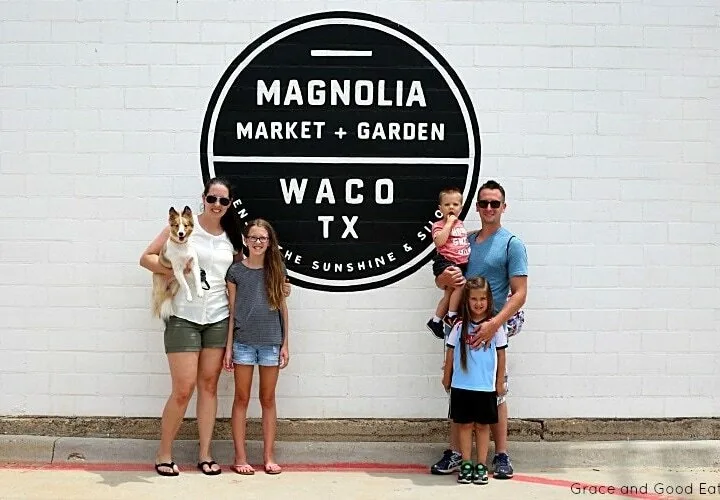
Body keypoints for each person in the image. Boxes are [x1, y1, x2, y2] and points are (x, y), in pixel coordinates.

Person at [140, 177, 243, 477]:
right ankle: (164, 453)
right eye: (212, 199)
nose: (217, 205)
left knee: (209, 387)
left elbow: (242, 273)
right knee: (183, 389)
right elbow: (146, 258)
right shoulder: (186, 227)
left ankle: (206, 454)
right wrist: (172, 268)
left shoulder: (231, 236)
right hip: (183, 316)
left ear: (229, 204)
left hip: (217, 318)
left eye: (224, 201)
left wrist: (278, 285)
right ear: (204, 198)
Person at [430, 179, 527, 480]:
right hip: (462, 326)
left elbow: (520, 292)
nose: (488, 208)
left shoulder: (512, 244)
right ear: (476, 206)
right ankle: (457, 453)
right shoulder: (465, 240)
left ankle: (501, 456)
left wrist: (493, 324)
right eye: (483, 203)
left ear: (503, 207)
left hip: (491, 328)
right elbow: (445, 282)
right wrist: (443, 278)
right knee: (460, 390)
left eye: (494, 203)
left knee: (494, 393)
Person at [223, 219, 289, 476]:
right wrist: (228, 348)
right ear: (245, 240)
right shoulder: (236, 272)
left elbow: (283, 308)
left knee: (268, 399)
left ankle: (269, 456)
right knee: (241, 398)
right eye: (254, 237)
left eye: (263, 238)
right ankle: (240, 457)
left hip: (271, 342)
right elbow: (232, 312)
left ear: (269, 242)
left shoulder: (277, 269)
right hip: (243, 343)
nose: (258, 242)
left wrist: (285, 343)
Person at [442, 277, 507, 485]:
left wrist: (498, 382)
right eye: (473, 299)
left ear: (489, 300)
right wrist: (446, 377)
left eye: (482, 299)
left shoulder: (495, 327)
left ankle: (481, 464)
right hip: (462, 386)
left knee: (482, 427)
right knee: (464, 425)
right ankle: (466, 463)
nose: (478, 303)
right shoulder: (460, 326)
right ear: (466, 301)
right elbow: (451, 353)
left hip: (485, 386)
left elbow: (502, 355)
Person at [426, 187, 470, 339]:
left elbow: (461, 239)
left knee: (449, 293)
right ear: (440, 208)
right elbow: (439, 242)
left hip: (460, 263)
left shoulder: (461, 225)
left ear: (461, 208)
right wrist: (449, 224)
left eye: (455, 204)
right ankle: (451, 316)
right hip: (445, 261)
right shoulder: (439, 225)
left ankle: (436, 320)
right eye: (447, 205)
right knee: (460, 283)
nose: (451, 207)